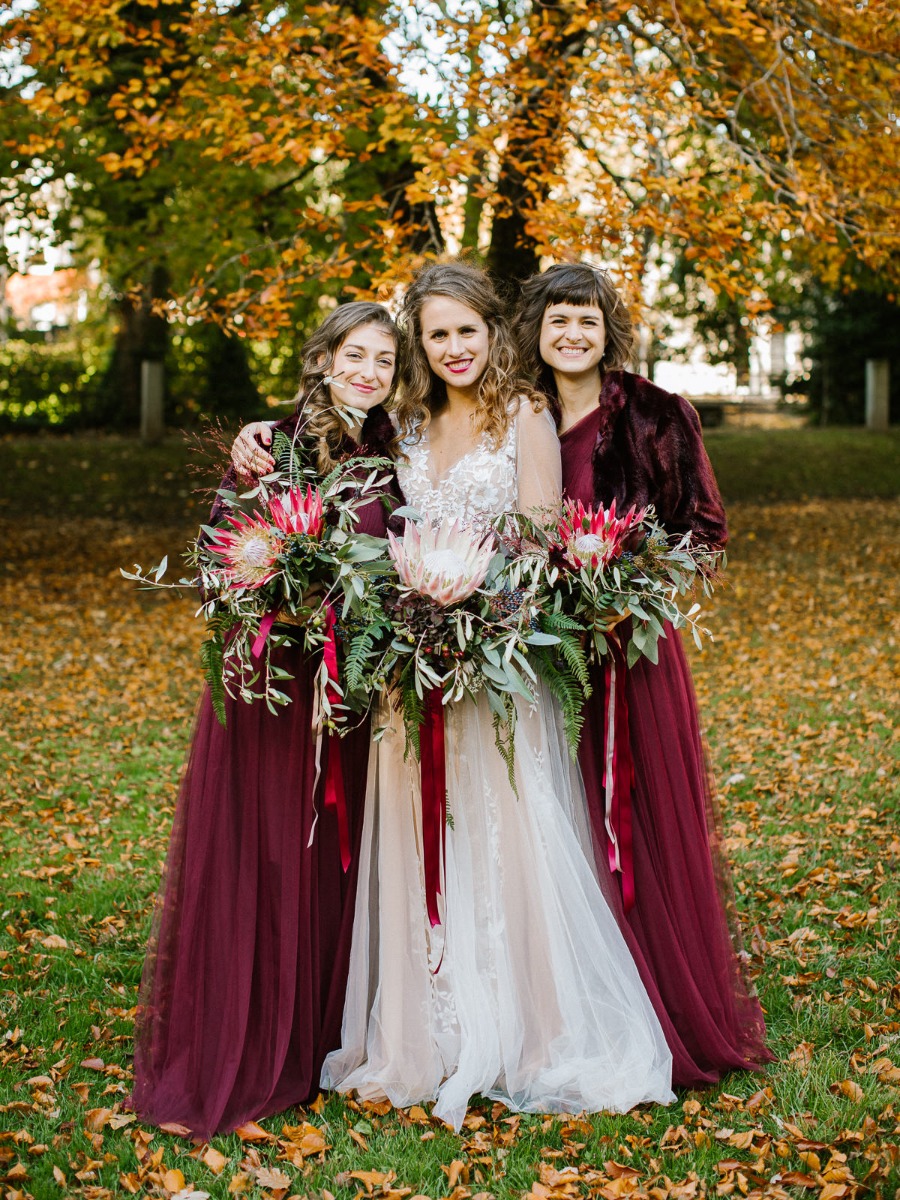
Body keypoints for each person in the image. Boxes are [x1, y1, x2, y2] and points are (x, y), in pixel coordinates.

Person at [319, 262, 674, 1131]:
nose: (453, 350)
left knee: (507, 833)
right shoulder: (402, 422)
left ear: (492, 331)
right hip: (414, 668)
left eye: (467, 331)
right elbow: (331, 456)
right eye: (435, 336)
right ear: (420, 345)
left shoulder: (524, 414)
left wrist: (476, 615)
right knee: (419, 841)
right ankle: (424, 1034)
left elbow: (541, 540)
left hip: (498, 660)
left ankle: (528, 1031)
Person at [132, 302, 402, 1137]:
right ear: (322, 359)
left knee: (336, 859)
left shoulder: (392, 457)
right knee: (272, 851)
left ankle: (328, 1031)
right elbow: (221, 554)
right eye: (353, 355)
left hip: (353, 688)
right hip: (276, 685)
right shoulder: (271, 447)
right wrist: (281, 595)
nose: (367, 372)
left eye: (385, 361)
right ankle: (259, 1038)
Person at [513, 261, 772, 1086]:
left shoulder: (659, 414)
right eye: (557, 320)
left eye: (586, 320)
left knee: (639, 823)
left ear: (609, 328)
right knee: (560, 825)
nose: (572, 334)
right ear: (537, 330)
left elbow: (703, 532)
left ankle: (660, 994)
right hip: (542, 657)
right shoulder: (520, 414)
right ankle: (578, 997)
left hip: (632, 657)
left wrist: (629, 584)